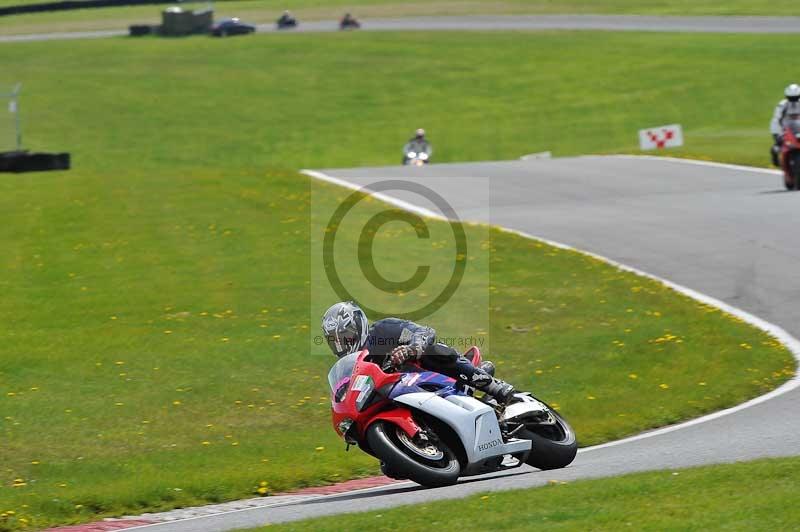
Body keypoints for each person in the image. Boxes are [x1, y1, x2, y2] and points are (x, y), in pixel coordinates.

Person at [322, 301, 516, 403]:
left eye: (345, 336)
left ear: (358, 326)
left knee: (430, 350)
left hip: (433, 378)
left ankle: (491, 385)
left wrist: (410, 349)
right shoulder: (351, 368)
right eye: (335, 342)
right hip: (405, 400)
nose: (341, 346)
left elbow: (424, 332)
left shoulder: (382, 331)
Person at [770, 84, 800, 166]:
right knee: (775, 149)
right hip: (786, 131)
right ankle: (776, 163)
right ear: (786, 96)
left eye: (796, 97)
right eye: (791, 98)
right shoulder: (782, 105)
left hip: (799, 130)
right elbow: (776, 119)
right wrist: (776, 135)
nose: (793, 100)